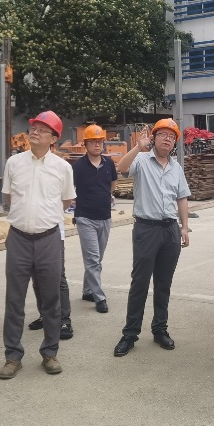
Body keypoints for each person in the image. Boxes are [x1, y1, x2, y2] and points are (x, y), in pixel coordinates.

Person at [0, 110, 76, 379]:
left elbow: (66, 201)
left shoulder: (63, 168)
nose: (35, 132)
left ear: (54, 138)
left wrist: (44, 217)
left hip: (48, 240)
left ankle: (50, 353)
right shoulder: (14, 163)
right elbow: (10, 197)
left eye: (43, 130)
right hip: (18, 238)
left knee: (50, 299)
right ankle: (13, 356)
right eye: (34, 127)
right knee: (14, 300)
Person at [113, 118, 191, 357]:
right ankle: (130, 334)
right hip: (146, 229)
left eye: (172, 136)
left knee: (163, 284)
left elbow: (182, 198)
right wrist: (138, 146)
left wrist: (184, 227)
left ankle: (160, 329)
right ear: (154, 138)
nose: (167, 139)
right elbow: (121, 168)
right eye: (163, 134)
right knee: (140, 282)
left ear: (175, 143)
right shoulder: (141, 160)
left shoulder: (176, 168)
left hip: (170, 230)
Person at [73, 124, 117, 313]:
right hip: (85, 218)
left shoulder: (109, 164)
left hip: (105, 217)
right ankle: (99, 297)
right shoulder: (78, 167)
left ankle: (87, 290)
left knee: (97, 259)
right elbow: (70, 189)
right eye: (93, 141)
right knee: (92, 259)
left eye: (100, 141)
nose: (97, 145)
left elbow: (112, 185)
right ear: (85, 144)